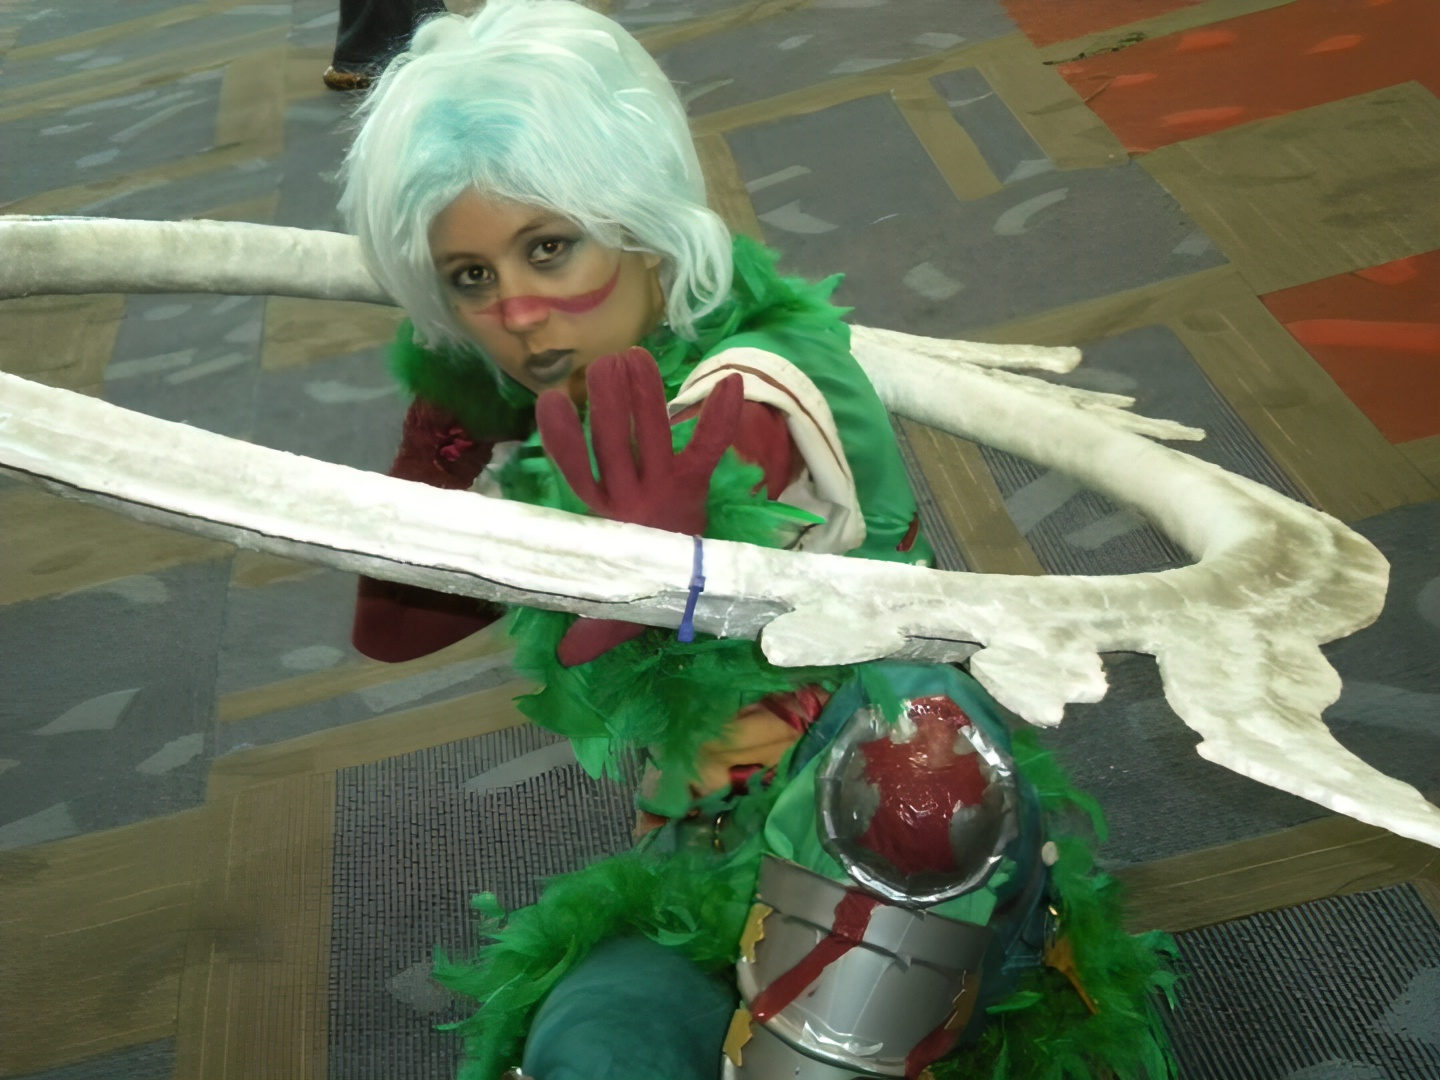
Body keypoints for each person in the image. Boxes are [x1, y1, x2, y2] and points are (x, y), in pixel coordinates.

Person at [339, 3, 1175, 1078]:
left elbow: (733, 460)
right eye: (470, 279)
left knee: (913, 798)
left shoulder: (763, 384)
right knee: (589, 1052)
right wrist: (448, 421)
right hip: (711, 856)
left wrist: (649, 564)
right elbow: (393, 629)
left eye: (549, 249)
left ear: (638, 224)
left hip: (895, 832)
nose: (519, 313)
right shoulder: (573, 388)